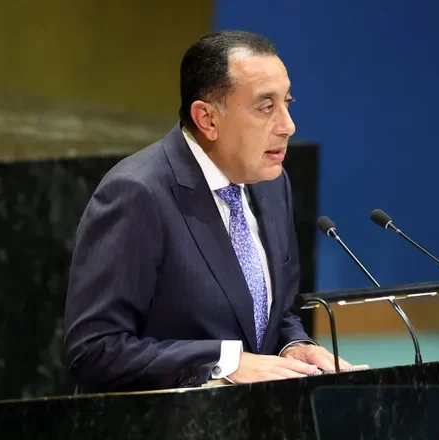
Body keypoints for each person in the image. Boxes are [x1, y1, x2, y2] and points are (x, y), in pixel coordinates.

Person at [63, 30, 355, 392]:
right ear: (207, 119)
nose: (288, 126)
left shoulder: (271, 182)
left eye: (287, 103)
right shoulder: (137, 194)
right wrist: (224, 362)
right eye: (266, 107)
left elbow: (274, 314)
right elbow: (94, 350)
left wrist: (293, 345)